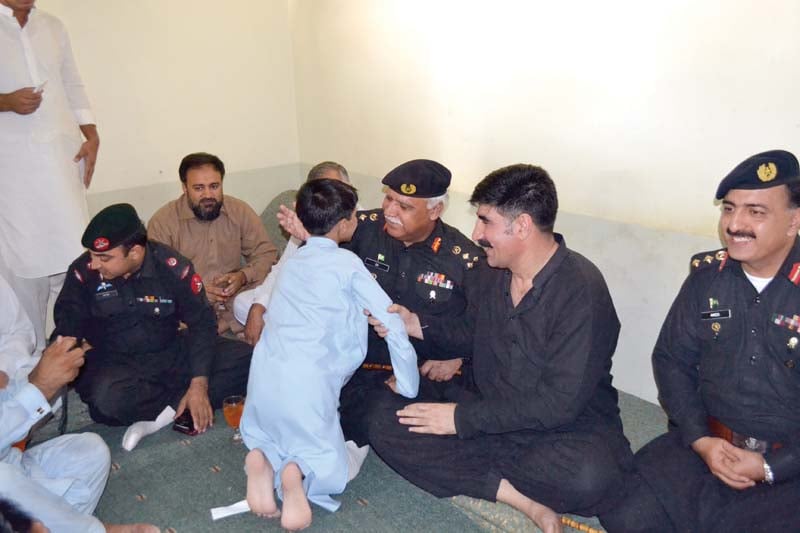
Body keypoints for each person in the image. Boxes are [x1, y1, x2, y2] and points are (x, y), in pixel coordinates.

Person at [366, 164, 633, 533]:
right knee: (383, 419)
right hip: (486, 407)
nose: (476, 234)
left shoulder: (581, 291)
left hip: (562, 429)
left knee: (592, 479)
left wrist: (460, 421)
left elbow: (560, 403)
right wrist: (415, 324)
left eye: (485, 221)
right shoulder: (488, 273)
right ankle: (520, 499)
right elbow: (466, 333)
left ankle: (477, 469)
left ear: (521, 226)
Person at [600, 150, 800, 533]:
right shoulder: (707, 278)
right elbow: (672, 360)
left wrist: (772, 467)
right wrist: (700, 439)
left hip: (788, 462)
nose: (735, 224)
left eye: (756, 212)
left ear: (794, 221)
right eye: (729, 209)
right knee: (623, 511)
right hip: (709, 441)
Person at [241, 179, 419, 531]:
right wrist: (408, 384)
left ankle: (262, 457)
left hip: (263, 378)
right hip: (310, 383)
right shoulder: (348, 264)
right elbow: (394, 322)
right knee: (341, 463)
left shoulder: (292, 262)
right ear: (344, 223)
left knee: (276, 431)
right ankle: (299, 474)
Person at [279, 159, 484, 446]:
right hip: (361, 361)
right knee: (293, 401)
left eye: (405, 206)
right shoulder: (363, 228)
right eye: (388, 198)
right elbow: (317, 279)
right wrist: (314, 240)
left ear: (435, 210)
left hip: (425, 368)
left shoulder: (463, 260)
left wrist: (459, 354)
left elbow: (483, 326)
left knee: (383, 421)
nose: (390, 211)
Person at [52, 203, 253, 450]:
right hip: (116, 363)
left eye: (104, 257)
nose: (93, 264)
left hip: (169, 352)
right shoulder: (82, 274)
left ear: (135, 252)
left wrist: (198, 384)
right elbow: (66, 327)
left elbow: (201, 324)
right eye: (92, 255)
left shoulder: (172, 268)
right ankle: (181, 403)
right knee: (107, 400)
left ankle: (172, 406)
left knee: (251, 360)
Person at [0, 273, 158, 533]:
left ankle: (56, 525)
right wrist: (39, 387)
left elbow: (17, 332)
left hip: (11, 460)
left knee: (89, 450)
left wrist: (33, 378)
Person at [0, 0, 100, 353]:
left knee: (76, 260)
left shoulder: (53, 26)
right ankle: (28, 371)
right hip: (12, 174)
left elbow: (73, 84)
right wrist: (5, 101)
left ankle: (71, 355)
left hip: (61, 162)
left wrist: (91, 134)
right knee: (23, 275)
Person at [147, 152, 277, 334]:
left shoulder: (239, 211)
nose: (208, 195)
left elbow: (267, 254)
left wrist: (243, 276)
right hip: (189, 306)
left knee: (277, 286)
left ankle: (222, 325)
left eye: (214, 186)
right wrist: (195, 291)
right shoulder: (163, 222)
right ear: (184, 188)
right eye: (199, 188)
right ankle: (215, 328)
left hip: (234, 301)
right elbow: (155, 276)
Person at [234, 161, 353, 345]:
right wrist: (258, 306)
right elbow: (282, 267)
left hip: (328, 304)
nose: (330, 199)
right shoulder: (310, 218)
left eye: (335, 190)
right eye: (322, 194)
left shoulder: (356, 222)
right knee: (243, 304)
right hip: (296, 295)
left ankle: (277, 338)